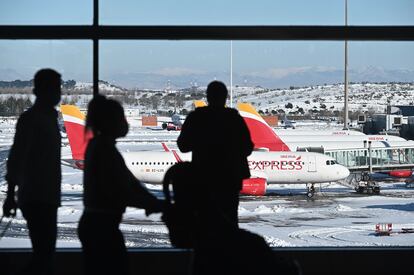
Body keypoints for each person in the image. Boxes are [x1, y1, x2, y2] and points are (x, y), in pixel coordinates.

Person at [77, 95, 164, 275]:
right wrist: (151, 203)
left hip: (99, 225)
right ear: (109, 122)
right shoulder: (104, 150)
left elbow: (131, 183)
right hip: (101, 227)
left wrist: (151, 201)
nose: (125, 123)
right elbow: (121, 191)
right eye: (121, 118)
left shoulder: (102, 146)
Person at [2, 68, 62, 275]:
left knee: (44, 255)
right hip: (38, 197)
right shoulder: (33, 119)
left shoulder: (49, 118)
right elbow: (17, 157)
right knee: (43, 256)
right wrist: (10, 195)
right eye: (55, 88)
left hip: (46, 196)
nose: (58, 93)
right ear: (40, 90)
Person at [177, 80, 253, 227]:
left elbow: (183, 146)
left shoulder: (196, 117)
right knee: (228, 223)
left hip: (204, 179)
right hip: (229, 180)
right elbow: (247, 148)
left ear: (208, 97)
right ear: (225, 97)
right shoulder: (234, 119)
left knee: (205, 224)